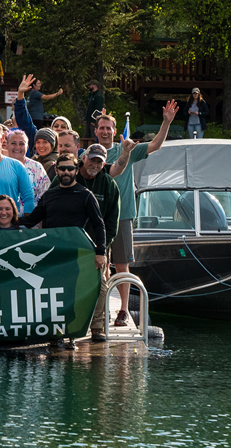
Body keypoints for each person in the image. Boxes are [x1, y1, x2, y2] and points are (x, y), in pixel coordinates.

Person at [96, 99, 178, 327]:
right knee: (98, 265)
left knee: (121, 265)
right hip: (95, 217)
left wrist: (166, 123)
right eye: (101, 128)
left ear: (114, 131)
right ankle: (99, 309)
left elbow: (156, 145)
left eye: (108, 128)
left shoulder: (128, 149)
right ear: (95, 131)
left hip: (122, 215)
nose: (104, 131)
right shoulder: (90, 154)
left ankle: (123, 310)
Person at [18, 152, 107, 348]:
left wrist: (100, 251)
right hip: (54, 253)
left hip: (79, 252)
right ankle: (57, 331)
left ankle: (97, 328)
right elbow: (32, 220)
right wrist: (7, 221)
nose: (66, 172)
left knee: (101, 287)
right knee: (56, 292)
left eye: (70, 168)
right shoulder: (49, 195)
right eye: (62, 168)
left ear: (76, 170)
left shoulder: (85, 195)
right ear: (56, 170)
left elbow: (98, 224)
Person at [77, 144, 121, 342]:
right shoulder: (69, 176)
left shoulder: (109, 185)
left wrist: (104, 247)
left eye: (99, 161)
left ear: (104, 164)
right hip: (72, 243)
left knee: (101, 286)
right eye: (92, 159)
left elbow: (112, 222)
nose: (94, 164)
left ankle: (97, 327)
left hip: (98, 245)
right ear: (83, 158)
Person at [5, 129, 50, 214]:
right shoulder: (0, 165)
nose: (17, 147)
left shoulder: (36, 167)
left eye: (21, 144)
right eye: (13, 143)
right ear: (6, 145)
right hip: (3, 220)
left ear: (27, 147)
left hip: (31, 221)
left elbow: (45, 196)